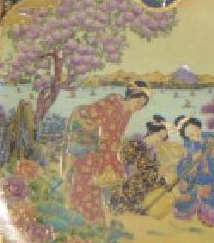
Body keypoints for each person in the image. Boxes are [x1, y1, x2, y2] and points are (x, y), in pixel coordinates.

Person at [64, 81, 150, 224]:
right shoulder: (110, 106)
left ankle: (90, 223)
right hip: (88, 151)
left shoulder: (127, 112)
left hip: (101, 153)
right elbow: (103, 135)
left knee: (96, 191)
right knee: (86, 189)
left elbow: (115, 139)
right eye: (138, 102)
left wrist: (114, 161)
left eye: (142, 105)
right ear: (130, 96)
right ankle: (83, 223)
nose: (139, 107)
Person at [109, 117, 168, 214]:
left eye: (163, 138)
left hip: (143, 178)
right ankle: (127, 204)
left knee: (160, 181)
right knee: (136, 181)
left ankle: (144, 205)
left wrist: (159, 173)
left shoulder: (153, 150)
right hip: (128, 176)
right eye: (159, 136)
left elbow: (153, 166)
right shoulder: (135, 144)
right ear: (151, 133)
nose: (161, 140)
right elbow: (128, 164)